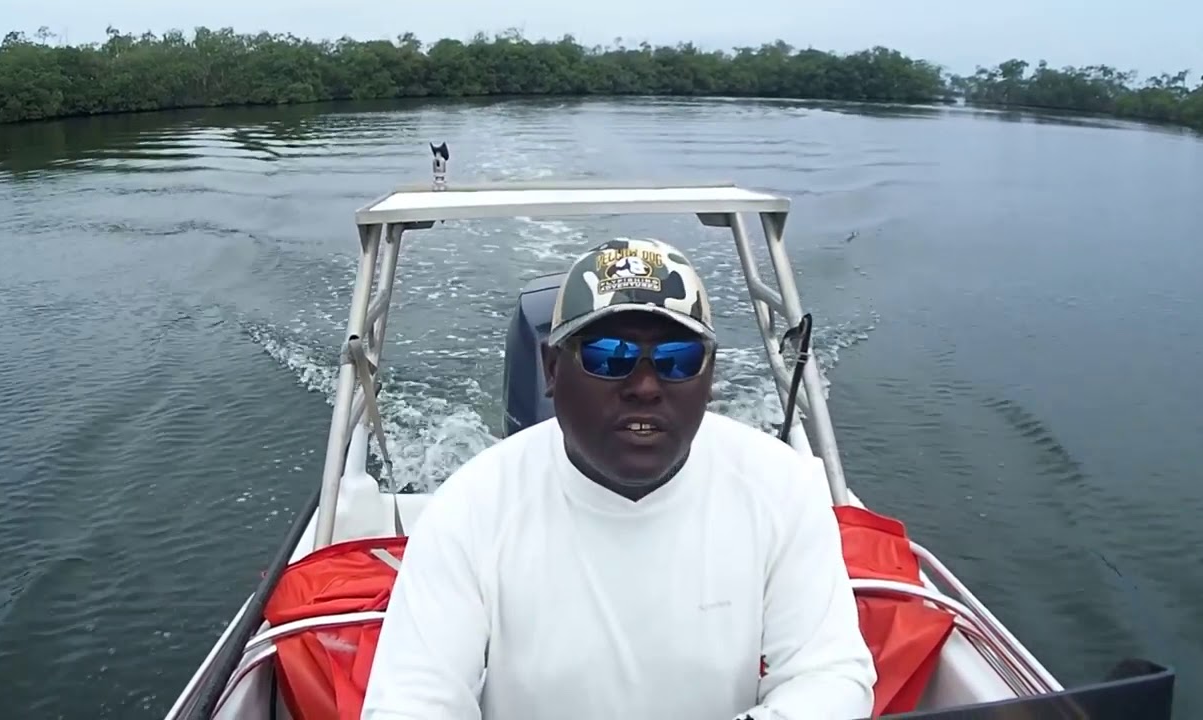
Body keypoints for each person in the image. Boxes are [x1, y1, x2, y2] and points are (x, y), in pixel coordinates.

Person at [361, 238, 876, 720]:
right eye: (611, 356)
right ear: (551, 369)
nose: (646, 386)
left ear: (710, 375)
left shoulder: (781, 490)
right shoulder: (470, 509)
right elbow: (411, 702)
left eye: (679, 359)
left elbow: (829, 674)